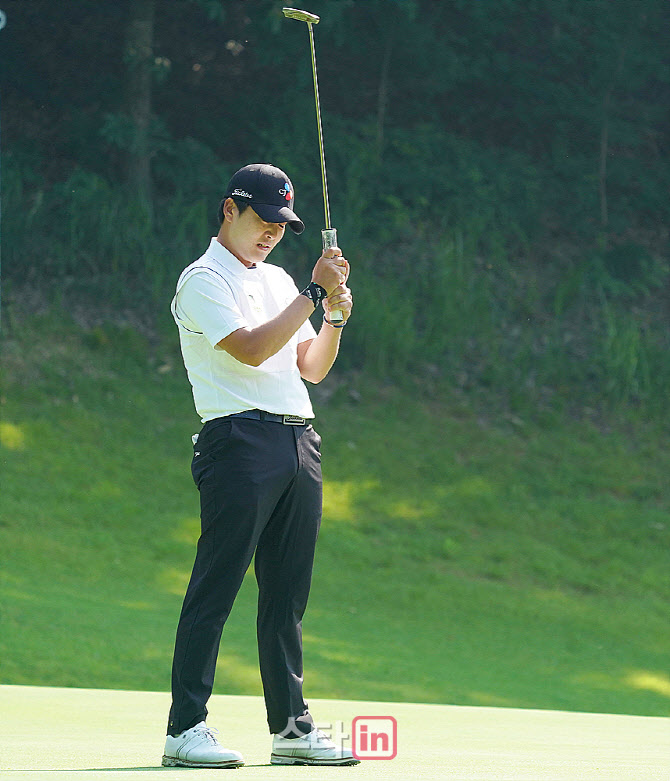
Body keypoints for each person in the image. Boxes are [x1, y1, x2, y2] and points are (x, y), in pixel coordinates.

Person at [162, 163, 357, 768]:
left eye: (282, 224)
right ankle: (185, 728)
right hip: (237, 441)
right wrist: (313, 294)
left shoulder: (277, 280)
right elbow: (250, 350)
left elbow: (310, 366)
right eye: (263, 219)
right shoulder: (202, 279)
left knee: (286, 595)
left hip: (299, 440)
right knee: (216, 585)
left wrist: (333, 318)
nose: (273, 232)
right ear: (230, 209)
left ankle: (291, 730)